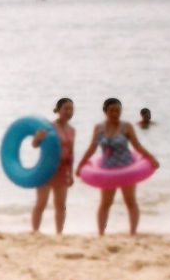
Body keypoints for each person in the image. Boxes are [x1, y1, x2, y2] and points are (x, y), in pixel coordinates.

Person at [76, 96, 156, 235]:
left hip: (127, 168)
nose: (115, 113)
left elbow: (137, 146)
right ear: (105, 111)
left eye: (118, 110)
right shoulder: (99, 128)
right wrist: (80, 165)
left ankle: (133, 233)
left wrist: (151, 158)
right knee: (105, 203)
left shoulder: (126, 127)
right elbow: (92, 148)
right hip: (107, 170)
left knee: (130, 201)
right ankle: (101, 234)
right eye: (112, 110)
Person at [28, 98, 75, 234]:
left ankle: (59, 233)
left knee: (60, 206)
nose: (68, 112)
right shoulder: (48, 127)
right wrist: (38, 138)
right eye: (65, 108)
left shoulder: (72, 130)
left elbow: (71, 153)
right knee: (41, 203)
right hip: (46, 169)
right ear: (58, 110)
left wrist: (70, 174)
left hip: (62, 171)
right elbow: (34, 145)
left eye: (71, 109)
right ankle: (35, 231)